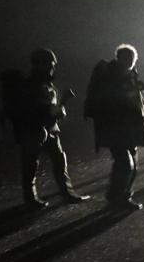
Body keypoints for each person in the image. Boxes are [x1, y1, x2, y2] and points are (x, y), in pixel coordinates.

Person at [11, 48, 90, 208]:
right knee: (31, 164)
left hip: (49, 128)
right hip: (36, 130)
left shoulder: (46, 83)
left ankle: (66, 194)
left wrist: (61, 106)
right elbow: (37, 109)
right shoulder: (32, 85)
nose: (53, 67)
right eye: (50, 64)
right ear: (40, 63)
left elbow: (49, 108)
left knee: (58, 161)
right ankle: (32, 199)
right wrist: (61, 104)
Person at [84, 44, 144, 210]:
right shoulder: (112, 76)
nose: (130, 61)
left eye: (132, 59)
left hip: (127, 128)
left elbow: (137, 104)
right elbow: (116, 101)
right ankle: (118, 198)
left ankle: (119, 195)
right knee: (125, 162)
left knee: (132, 164)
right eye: (127, 58)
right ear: (119, 58)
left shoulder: (128, 76)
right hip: (116, 127)